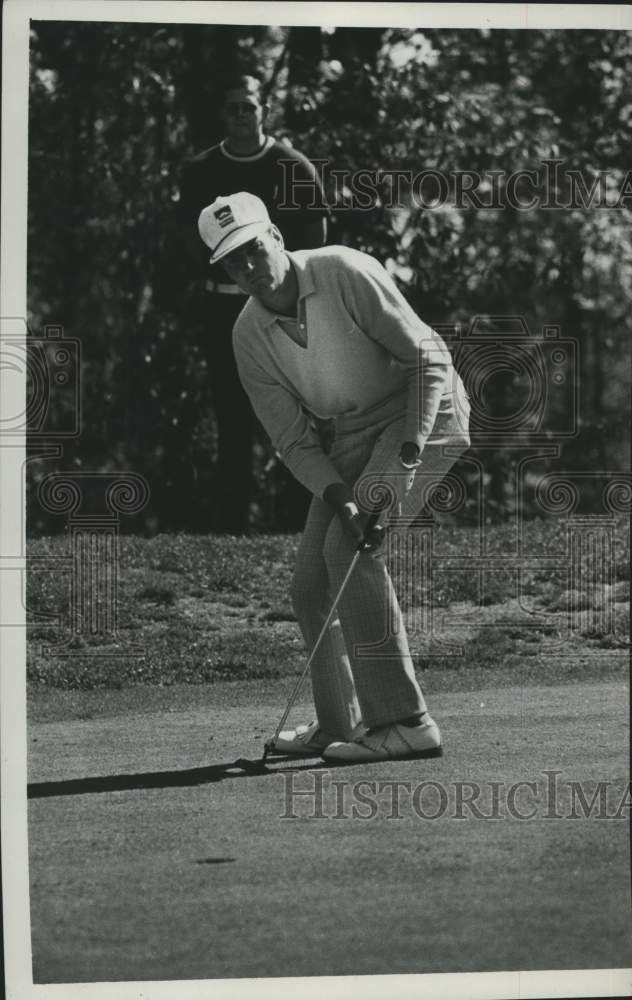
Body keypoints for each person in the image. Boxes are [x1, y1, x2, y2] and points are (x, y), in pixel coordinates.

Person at [197, 192, 471, 763]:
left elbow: (429, 359)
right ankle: (336, 724)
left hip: (424, 411)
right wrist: (342, 496)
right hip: (350, 434)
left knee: (349, 552)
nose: (247, 268)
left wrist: (405, 457)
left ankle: (407, 723)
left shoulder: (343, 270)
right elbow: (293, 440)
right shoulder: (247, 336)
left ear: (274, 236)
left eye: (251, 249)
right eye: (231, 261)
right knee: (310, 585)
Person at [179, 74, 329, 533]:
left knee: (297, 415)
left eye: (249, 106)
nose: (241, 115)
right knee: (232, 417)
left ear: (264, 110)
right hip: (222, 309)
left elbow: (315, 246)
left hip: (285, 310)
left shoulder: (293, 166)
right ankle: (232, 529)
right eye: (233, 108)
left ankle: (301, 523)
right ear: (223, 115)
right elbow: (187, 246)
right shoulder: (201, 171)